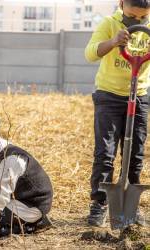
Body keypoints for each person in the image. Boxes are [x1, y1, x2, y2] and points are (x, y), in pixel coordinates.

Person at [85, 0, 150, 227]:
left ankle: (129, 207)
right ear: (122, 4)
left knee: (135, 154)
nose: (138, 21)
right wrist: (113, 42)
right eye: (133, 17)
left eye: (143, 18)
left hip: (139, 95)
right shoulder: (109, 24)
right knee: (106, 152)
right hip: (109, 95)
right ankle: (99, 204)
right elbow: (91, 53)